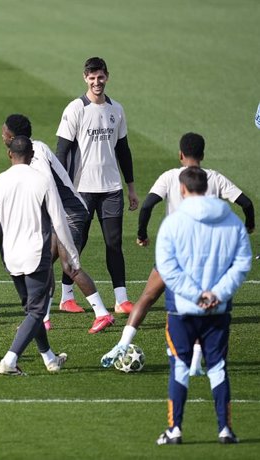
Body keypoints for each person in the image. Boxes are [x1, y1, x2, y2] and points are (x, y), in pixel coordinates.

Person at [101, 133, 254, 375]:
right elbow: (246, 203)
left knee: (147, 299)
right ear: (202, 155)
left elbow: (148, 205)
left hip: (171, 254)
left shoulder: (170, 177)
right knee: (199, 306)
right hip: (202, 257)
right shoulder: (214, 178)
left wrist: (142, 234)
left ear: (180, 154)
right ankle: (195, 363)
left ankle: (122, 344)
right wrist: (249, 226)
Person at [153, 166, 250, 445]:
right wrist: (217, 293)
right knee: (218, 366)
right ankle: (225, 429)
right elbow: (242, 263)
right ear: (207, 188)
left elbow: (167, 268)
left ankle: (175, 430)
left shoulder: (173, 223)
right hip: (218, 310)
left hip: (182, 309)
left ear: (182, 189)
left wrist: (196, 295)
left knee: (180, 367)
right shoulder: (231, 221)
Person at [0, 136, 79, 375]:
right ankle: (9, 361)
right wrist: (72, 255)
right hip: (36, 255)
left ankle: (49, 358)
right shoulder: (42, 181)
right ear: (32, 156)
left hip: (10, 258)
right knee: (37, 311)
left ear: (9, 154)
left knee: (32, 310)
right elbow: (60, 222)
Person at [3, 114, 113, 333]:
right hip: (61, 212)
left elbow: (48, 187)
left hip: (69, 213)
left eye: (4, 132)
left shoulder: (37, 153)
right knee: (43, 265)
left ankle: (102, 314)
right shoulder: (28, 153)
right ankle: (41, 319)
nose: (2, 135)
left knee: (69, 265)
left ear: (12, 135)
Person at [56, 57, 139, 315]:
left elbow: (124, 151)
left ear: (107, 77)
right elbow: (62, 152)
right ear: (85, 78)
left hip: (111, 188)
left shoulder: (117, 110)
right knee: (75, 243)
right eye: (92, 78)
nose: (96, 82)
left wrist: (131, 187)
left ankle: (121, 299)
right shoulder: (75, 109)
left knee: (114, 243)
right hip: (80, 189)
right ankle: (66, 296)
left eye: (100, 77)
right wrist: (61, 188)